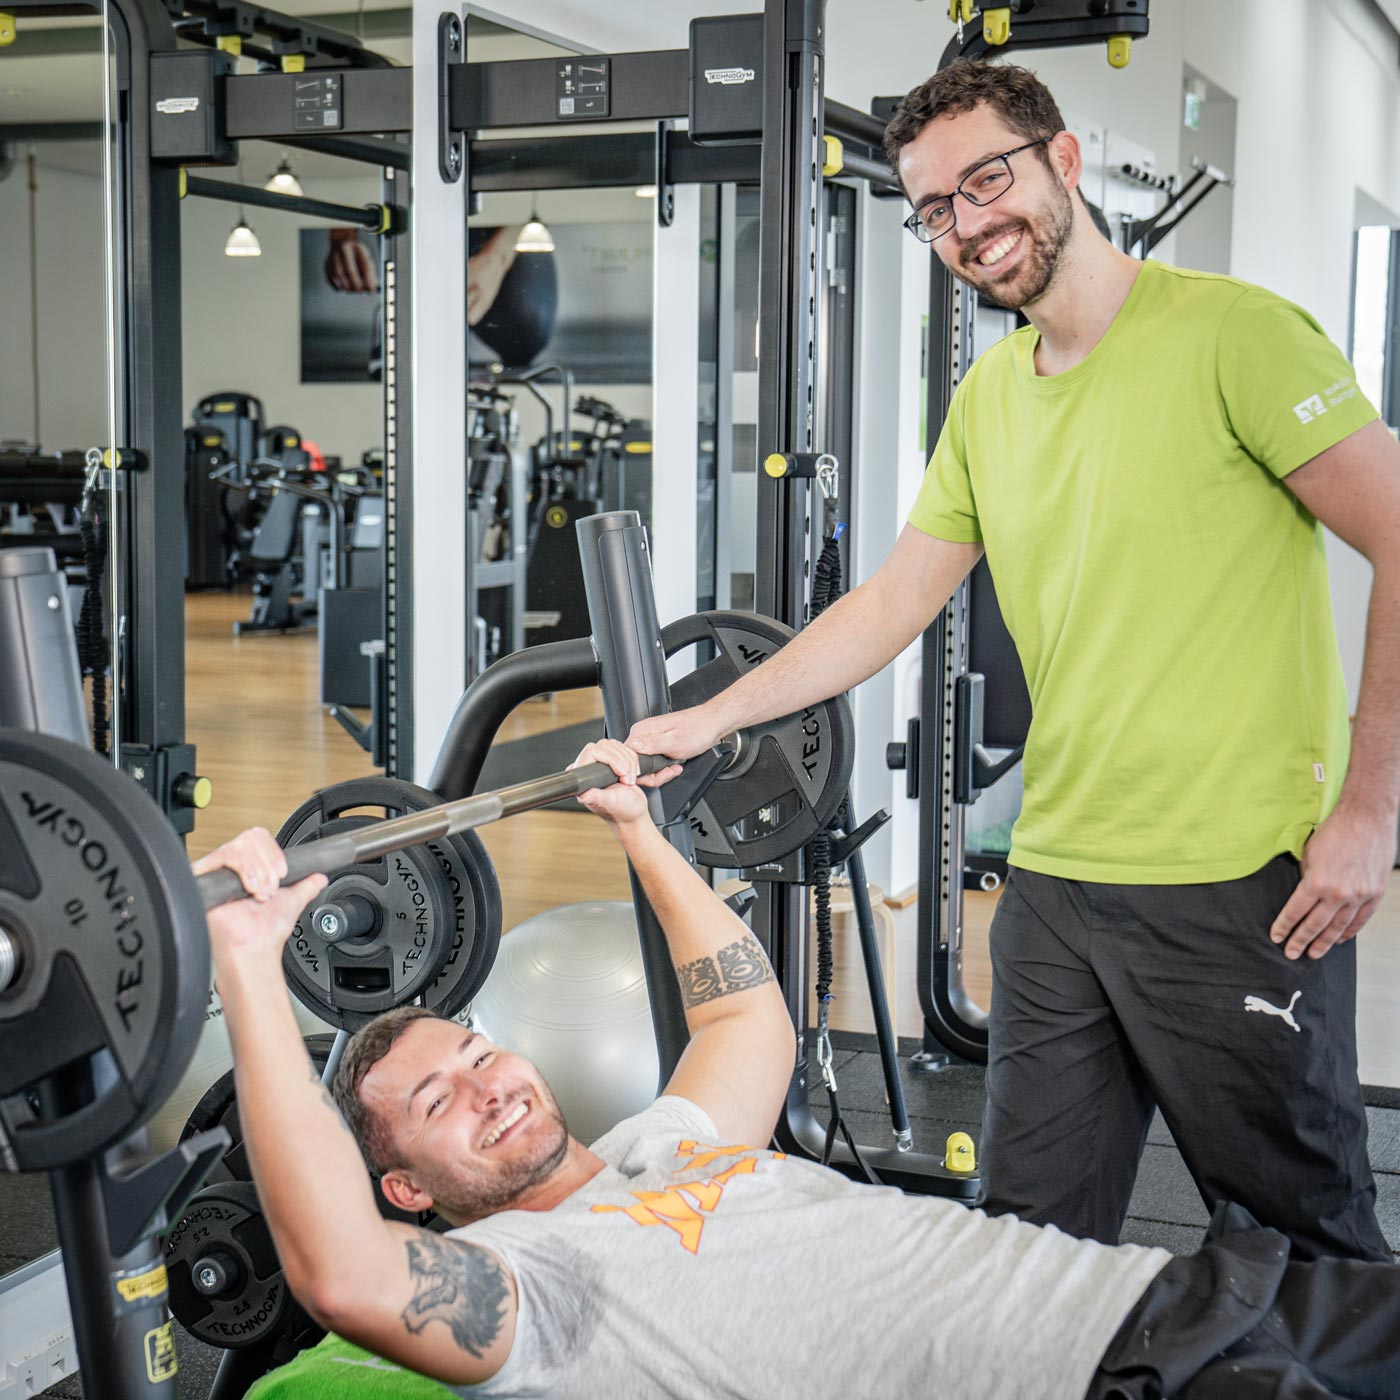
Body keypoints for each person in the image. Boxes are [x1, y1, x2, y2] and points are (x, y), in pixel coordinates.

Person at [627, 58, 1400, 1264]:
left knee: (1305, 1252)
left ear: (1064, 161)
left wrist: (1369, 806)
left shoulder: (1234, 336)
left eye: (985, 180)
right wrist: (707, 718)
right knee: (1024, 1254)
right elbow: (889, 602)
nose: (966, 224)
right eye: (934, 207)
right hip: (1052, 888)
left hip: (1240, 881)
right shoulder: (989, 394)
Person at [201, 740, 1400, 1399]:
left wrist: (638, 832)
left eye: (474, 1049)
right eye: (436, 1101)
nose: (488, 1081)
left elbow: (747, 1023)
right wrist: (249, 964)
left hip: (1175, 1291)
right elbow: (347, 1277)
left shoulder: (654, 1144)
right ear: (407, 1188)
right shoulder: (525, 1292)